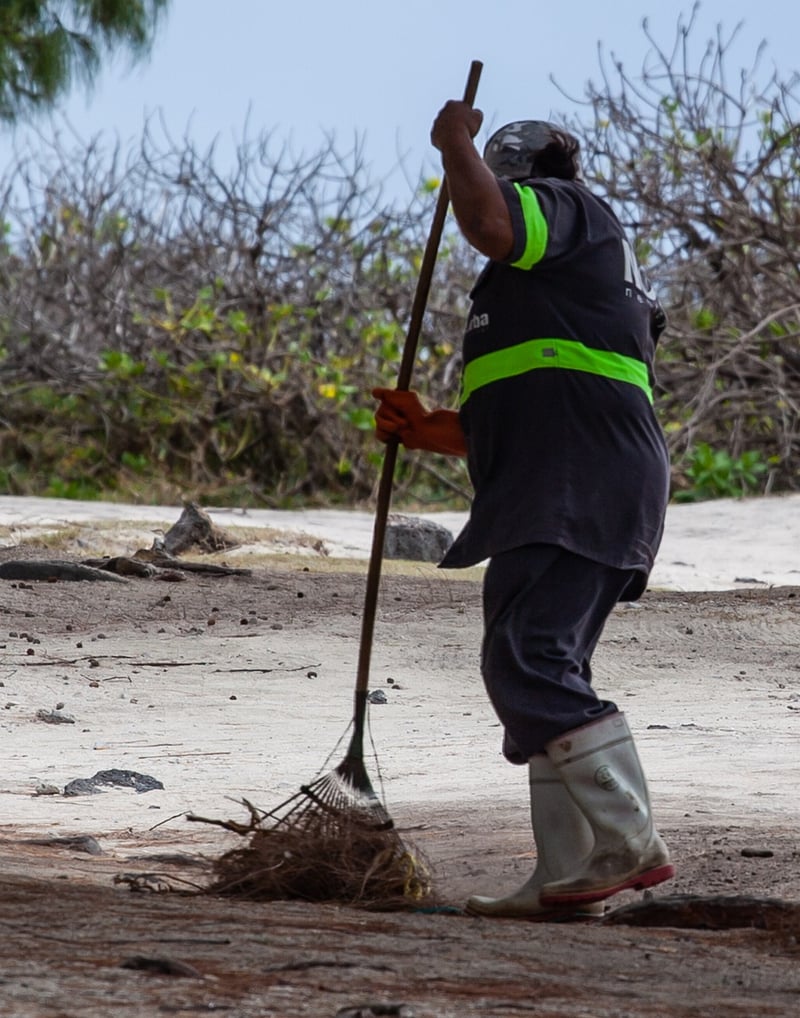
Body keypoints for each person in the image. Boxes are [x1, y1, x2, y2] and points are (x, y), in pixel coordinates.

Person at [373, 104, 675, 920]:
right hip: (558, 484)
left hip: (579, 484)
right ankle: (568, 875)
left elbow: (488, 221)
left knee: (529, 659)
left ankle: (627, 837)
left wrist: (452, 146)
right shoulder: (543, 285)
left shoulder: (568, 211)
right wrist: (427, 427)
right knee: (535, 661)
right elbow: (514, 412)